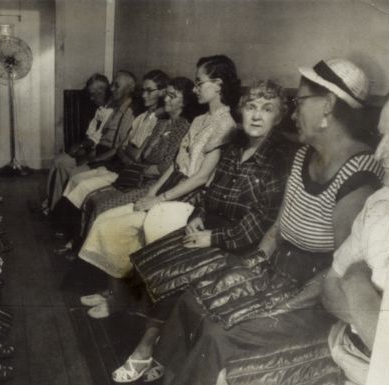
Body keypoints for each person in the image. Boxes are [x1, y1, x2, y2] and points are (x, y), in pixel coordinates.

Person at [150, 58, 383, 385]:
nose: (292, 112)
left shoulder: (359, 175)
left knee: (221, 330)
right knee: (194, 299)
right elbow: (278, 226)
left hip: (313, 294)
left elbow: (341, 272)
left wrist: (279, 305)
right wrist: (255, 262)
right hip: (278, 268)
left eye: (298, 102)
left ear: (328, 106)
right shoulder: (304, 154)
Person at [108, 80, 296, 383]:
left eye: (267, 109)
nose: (257, 115)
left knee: (176, 275)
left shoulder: (281, 158)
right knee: (151, 259)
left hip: (242, 243)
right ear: (241, 111)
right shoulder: (234, 145)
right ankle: (159, 350)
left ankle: (144, 352)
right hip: (211, 226)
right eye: (251, 107)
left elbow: (264, 217)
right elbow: (212, 190)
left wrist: (215, 238)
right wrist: (199, 215)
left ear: (279, 116)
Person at [217, 92, 389, 385]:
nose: (380, 152)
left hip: (375, 370)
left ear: (328, 107)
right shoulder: (380, 203)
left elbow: (340, 281)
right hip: (345, 348)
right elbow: (330, 291)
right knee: (228, 372)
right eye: (383, 135)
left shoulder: (359, 175)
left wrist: (355, 280)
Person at [77, 55, 240, 319]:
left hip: (191, 199)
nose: (196, 88)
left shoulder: (226, 125)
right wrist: (150, 194)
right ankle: (115, 293)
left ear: (218, 85)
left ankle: (124, 300)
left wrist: (159, 199)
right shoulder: (199, 121)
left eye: (200, 83)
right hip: (171, 187)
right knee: (105, 219)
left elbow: (200, 178)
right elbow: (175, 166)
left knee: (115, 227)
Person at [51, 70, 170, 253]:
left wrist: (126, 152)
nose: (144, 95)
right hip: (119, 163)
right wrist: (127, 152)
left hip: (128, 171)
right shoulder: (139, 117)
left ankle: (77, 242)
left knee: (82, 183)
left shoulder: (157, 121)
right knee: (77, 179)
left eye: (149, 91)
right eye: (143, 91)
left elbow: (136, 154)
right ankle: (69, 233)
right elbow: (123, 147)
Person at [46, 71, 136, 213]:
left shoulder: (124, 112)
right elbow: (94, 134)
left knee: (65, 165)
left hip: (103, 158)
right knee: (59, 161)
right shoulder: (110, 110)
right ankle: (50, 204)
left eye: (97, 93)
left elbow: (113, 145)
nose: (92, 98)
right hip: (96, 152)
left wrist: (88, 153)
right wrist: (84, 146)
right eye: (91, 94)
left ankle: (57, 209)